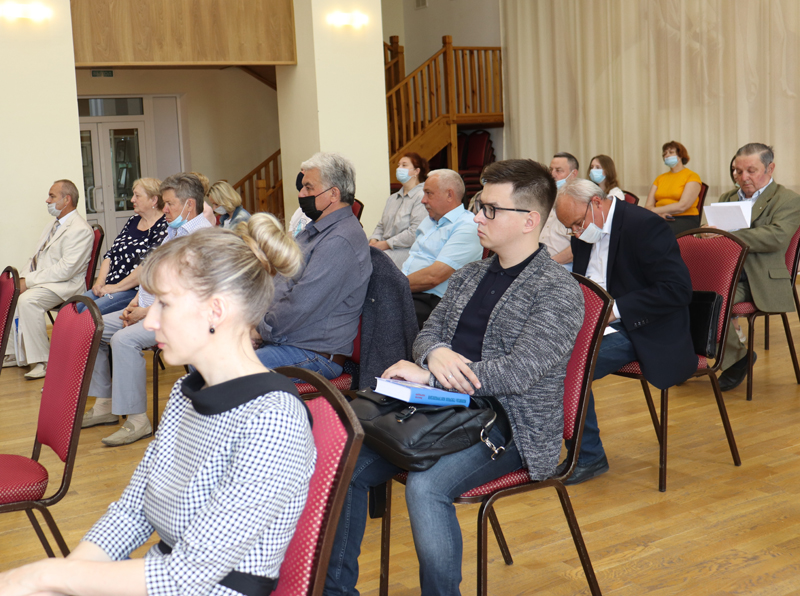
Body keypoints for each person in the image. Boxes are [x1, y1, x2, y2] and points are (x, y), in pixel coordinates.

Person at [0, 218, 317, 596]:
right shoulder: (186, 392)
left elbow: (187, 575)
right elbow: (132, 511)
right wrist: (66, 577)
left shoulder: (273, 420)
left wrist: (44, 577)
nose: (150, 320)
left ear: (216, 310)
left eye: (164, 304)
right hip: (161, 577)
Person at [324, 159, 583, 596]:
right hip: (443, 411)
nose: (478, 217)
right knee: (345, 464)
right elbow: (428, 333)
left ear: (529, 221)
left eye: (490, 210)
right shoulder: (471, 275)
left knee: (426, 488)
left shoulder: (557, 290)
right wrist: (435, 354)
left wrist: (432, 378)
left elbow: (519, 371)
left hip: (510, 424)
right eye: (480, 206)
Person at [555, 178, 696, 484]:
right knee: (539, 355)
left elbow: (677, 290)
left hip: (643, 326)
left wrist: (614, 310)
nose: (576, 233)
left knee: (567, 367)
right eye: (570, 228)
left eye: (577, 224)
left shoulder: (644, 225)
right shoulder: (586, 229)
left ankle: (587, 456)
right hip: (597, 322)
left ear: (596, 202)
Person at [81, 173, 214, 446]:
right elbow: (154, 274)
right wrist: (135, 302)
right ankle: (105, 404)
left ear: (189, 204)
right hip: (150, 309)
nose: (165, 210)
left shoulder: (201, 238)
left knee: (123, 340)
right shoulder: (175, 231)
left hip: (179, 317)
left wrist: (149, 310)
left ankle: (137, 421)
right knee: (91, 327)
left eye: (169, 204)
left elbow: (190, 293)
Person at [254, 152, 371, 380]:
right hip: (287, 340)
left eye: (308, 187)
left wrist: (260, 330)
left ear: (333, 194)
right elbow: (281, 284)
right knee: (205, 359)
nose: (301, 194)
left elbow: (300, 305)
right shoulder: (316, 230)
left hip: (314, 354)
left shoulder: (341, 240)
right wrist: (254, 324)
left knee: (221, 371)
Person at [714, 143, 800, 391]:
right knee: (682, 294)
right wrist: (705, 235)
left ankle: (735, 360)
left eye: (751, 171)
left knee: (714, 301)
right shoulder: (727, 198)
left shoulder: (788, 200)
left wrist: (728, 235)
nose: (743, 177)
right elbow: (713, 234)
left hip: (759, 279)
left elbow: (776, 237)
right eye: (737, 171)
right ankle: (697, 358)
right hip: (725, 273)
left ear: (770, 168)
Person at [3, 180, 93, 379]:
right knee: (12, 293)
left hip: (65, 286)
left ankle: (42, 361)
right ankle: (13, 353)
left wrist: (29, 282)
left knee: (28, 301)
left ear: (67, 200)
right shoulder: (52, 225)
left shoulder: (80, 230)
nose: (47, 200)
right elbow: (36, 258)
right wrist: (21, 280)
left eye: (52, 196)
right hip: (47, 282)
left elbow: (65, 271)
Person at [401, 169, 483, 328]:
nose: (423, 200)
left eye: (428, 193)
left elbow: (434, 277)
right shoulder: (429, 220)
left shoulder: (467, 226)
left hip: (433, 302)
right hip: (410, 291)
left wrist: (393, 286)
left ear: (449, 195)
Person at [79, 177, 167, 315]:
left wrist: (115, 288)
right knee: (74, 307)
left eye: (137, 196)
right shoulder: (133, 220)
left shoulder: (164, 226)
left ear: (154, 200)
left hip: (132, 290)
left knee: (87, 313)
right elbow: (111, 254)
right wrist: (99, 283)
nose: (132, 200)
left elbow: (147, 267)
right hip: (110, 286)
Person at [369, 152, 429, 268]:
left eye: (404, 165)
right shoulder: (392, 198)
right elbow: (381, 225)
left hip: (406, 250)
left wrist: (386, 244)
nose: (399, 168)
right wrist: (374, 240)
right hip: (384, 248)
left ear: (416, 171)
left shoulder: (421, 196)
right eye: (398, 165)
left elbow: (415, 232)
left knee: (373, 262)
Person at [644, 141, 702, 235]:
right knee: (638, 227)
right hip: (660, 217)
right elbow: (648, 206)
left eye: (671, 152)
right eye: (664, 154)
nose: (667, 155)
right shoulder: (660, 178)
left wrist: (654, 211)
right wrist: (659, 214)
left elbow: (682, 206)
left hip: (685, 218)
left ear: (680, 155)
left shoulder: (692, 176)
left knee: (656, 230)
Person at [540, 152, 579, 269]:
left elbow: (580, 247)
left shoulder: (580, 203)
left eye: (558, 170)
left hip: (562, 266)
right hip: (539, 263)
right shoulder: (545, 198)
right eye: (551, 170)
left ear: (573, 174)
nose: (552, 174)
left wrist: (549, 263)